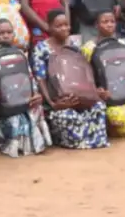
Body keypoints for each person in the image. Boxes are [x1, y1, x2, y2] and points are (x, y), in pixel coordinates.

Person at [0, 19, 51, 157]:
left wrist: (35, 95)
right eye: (1, 33)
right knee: (14, 121)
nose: (5, 36)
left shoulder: (20, 53)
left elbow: (29, 79)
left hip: (20, 101)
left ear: (14, 34)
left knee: (36, 109)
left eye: (9, 32)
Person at [32, 10, 109, 149]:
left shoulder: (74, 46)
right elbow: (40, 78)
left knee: (99, 107)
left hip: (78, 97)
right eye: (59, 26)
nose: (64, 28)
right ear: (49, 27)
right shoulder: (41, 49)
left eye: (66, 25)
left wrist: (94, 93)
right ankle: (79, 141)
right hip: (58, 101)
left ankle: (92, 140)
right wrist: (53, 104)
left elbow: (84, 73)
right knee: (67, 116)